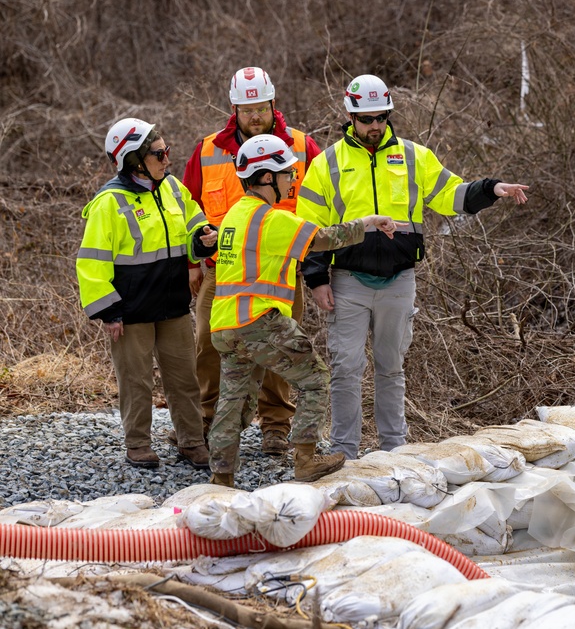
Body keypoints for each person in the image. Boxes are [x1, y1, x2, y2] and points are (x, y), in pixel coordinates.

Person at [296, 74, 529, 460]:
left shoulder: (413, 156)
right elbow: (310, 227)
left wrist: (490, 189)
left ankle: (394, 451)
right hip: (347, 281)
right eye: (366, 119)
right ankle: (345, 452)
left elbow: (451, 194)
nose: (374, 126)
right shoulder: (327, 163)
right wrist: (317, 278)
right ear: (351, 117)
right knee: (346, 368)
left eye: (381, 117)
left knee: (391, 367)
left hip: (399, 280)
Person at [207, 134, 398, 487]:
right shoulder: (270, 219)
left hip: (225, 325)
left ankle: (221, 476)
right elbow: (323, 239)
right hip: (259, 321)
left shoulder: (235, 215)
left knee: (233, 401)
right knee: (315, 378)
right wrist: (369, 221)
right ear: (267, 177)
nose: (292, 180)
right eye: (287, 173)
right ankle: (306, 461)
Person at [182, 66, 323, 455]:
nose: (255, 116)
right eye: (247, 110)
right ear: (234, 109)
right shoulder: (208, 150)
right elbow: (187, 208)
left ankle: (276, 426)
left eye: (261, 108)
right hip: (222, 272)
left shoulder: (301, 147)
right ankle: (206, 422)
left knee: (282, 347)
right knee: (208, 345)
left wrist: (317, 270)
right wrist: (192, 263)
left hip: (279, 273)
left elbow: (322, 205)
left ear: (273, 103)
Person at [77, 118, 217, 469]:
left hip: (173, 304)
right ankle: (138, 444)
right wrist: (109, 311)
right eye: (158, 154)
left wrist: (203, 240)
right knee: (136, 381)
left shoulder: (172, 187)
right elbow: (91, 262)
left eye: (166, 151)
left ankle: (191, 442)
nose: (167, 158)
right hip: (130, 312)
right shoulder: (109, 202)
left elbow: (194, 224)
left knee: (184, 379)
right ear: (133, 160)